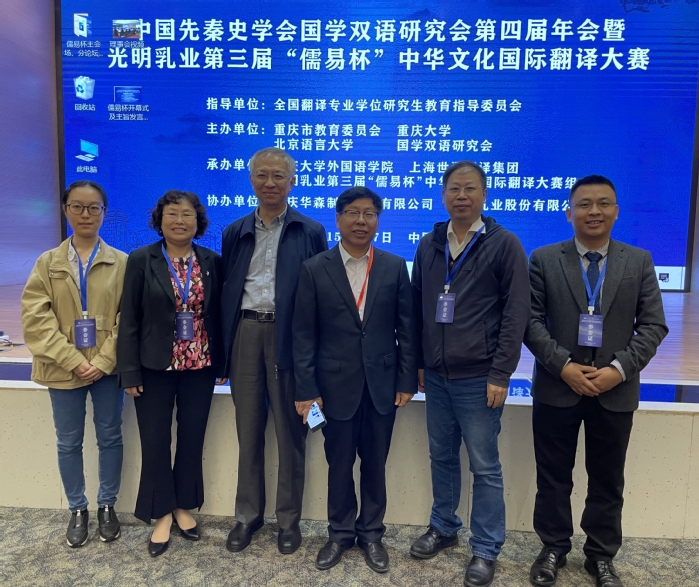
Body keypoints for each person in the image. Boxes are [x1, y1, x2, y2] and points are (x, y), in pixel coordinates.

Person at [524, 175, 668, 587]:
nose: (594, 211)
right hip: (557, 387)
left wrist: (617, 370)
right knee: (553, 477)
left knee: (608, 480)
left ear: (616, 211)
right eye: (584, 204)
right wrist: (563, 366)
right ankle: (553, 548)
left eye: (603, 203)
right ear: (568, 212)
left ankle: (601, 556)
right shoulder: (544, 259)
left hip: (614, 390)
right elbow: (530, 322)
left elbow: (653, 325)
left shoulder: (638, 261)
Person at [410, 161, 530, 587]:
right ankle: (444, 527)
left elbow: (516, 313)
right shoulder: (429, 244)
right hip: (436, 375)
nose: (462, 195)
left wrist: (501, 372)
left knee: (484, 466)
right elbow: (418, 307)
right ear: (443, 194)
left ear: (484, 194)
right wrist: (419, 362)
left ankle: (485, 548)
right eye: (454, 188)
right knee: (441, 456)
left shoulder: (504, 244)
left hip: (480, 377)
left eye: (470, 188)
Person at [293, 187, 417, 573]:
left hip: (382, 386)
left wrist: (406, 380)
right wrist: (307, 389)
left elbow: (407, 329)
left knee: (375, 465)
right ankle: (340, 534)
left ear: (378, 221)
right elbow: (303, 335)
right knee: (339, 464)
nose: (361, 220)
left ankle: (372, 534)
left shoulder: (394, 266)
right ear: (338, 219)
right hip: (333, 387)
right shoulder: (315, 268)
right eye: (352, 212)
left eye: (369, 214)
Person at [221, 147, 327, 555]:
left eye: (278, 176)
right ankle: (247, 516)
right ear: (251, 180)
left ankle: (288, 521)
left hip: (290, 336)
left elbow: (320, 294)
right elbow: (229, 291)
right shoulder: (235, 231)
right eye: (262, 175)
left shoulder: (310, 230)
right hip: (246, 332)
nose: (270, 183)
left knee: (290, 433)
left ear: (292, 182)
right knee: (248, 431)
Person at [117, 190, 226, 557]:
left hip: (200, 365)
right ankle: (162, 512)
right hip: (153, 366)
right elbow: (129, 319)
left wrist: (222, 363)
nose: (180, 220)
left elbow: (219, 316)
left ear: (198, 222)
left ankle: (183, 506)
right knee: (155, 440)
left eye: (187, 214)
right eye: (172, 214)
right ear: (159, 220)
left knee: (192, 438)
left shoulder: (211, 261)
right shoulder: (141, 259)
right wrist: (129, 370)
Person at [21, 180, 127, 547]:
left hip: (107, 369)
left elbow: (128, 318)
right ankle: (77, 509)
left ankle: (107, 505)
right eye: (78, 206)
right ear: (66, 210)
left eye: (94, 207)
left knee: (110, 436)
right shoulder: (47, 263)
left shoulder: (121, 262)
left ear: (104, 212)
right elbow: (36, 319)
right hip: (62, 367)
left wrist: (103, 360)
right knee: (68, 441)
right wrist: (73, 360)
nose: (86, 214)